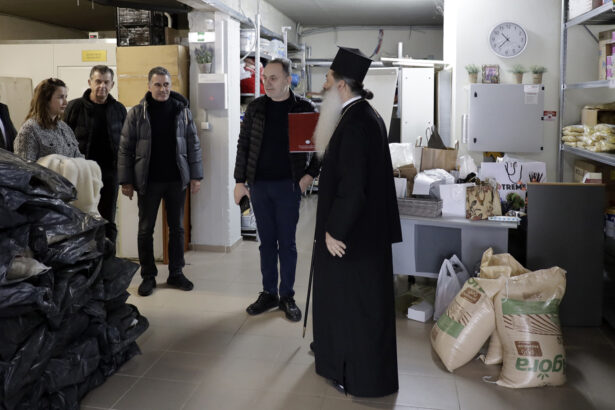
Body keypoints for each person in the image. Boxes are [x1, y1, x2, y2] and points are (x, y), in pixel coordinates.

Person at [310, 47, 402, 397]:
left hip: (352, 240)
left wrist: (334, 230)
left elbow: (353, 187)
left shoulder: (354, 123)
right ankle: (353, 368)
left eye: (327, 80)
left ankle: (352, 374)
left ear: (342, 86)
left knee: (352, 308)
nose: (323, 86)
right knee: (364, 309)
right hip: (366, 236)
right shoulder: (366, 115)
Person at [233, 58, 320, 322]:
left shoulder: (304, 108)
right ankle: (269, 293)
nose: (267, 83)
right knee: (267, 243)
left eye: (273, 78)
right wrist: (239, 181)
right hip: (259, 186)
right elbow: (243, 145)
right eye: (264, 78)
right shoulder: (256, 108)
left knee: (287, 244)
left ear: (287, 79)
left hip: (288, 186)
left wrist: (308, 176)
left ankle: (287, 296)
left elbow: (321, 147)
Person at [118, 66, 203, 297]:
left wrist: (196, 176)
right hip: (148, 181)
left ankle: (176, 273)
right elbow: (125, 148)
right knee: (145, 230)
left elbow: (193, 144)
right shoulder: (137, 113)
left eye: (166, 84)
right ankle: (148, 276)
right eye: (157, 85)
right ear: (149, 86)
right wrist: (126, 181)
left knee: (177, 229)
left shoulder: (182, 111)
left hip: (176, 180)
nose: (162, 89)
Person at [64, 65, 127, 244]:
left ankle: (108, 256)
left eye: (106, 82)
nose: (102, 86)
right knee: (82, 216)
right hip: (82, 172)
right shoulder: (74, 107)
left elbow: (125, 143)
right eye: (98, 81)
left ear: (112, 84)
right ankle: (84, 256)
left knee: (108, 218)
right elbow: (64, 137)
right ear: (90, 82)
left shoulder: (119, 109)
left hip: (110, 173)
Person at [14, 78, 83, 161]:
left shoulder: (65, 128)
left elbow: (79, 158)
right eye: (61, 97)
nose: (66, 102)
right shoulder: (30, 130)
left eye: (66, 97)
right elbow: (24, 166)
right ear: (46, 100)